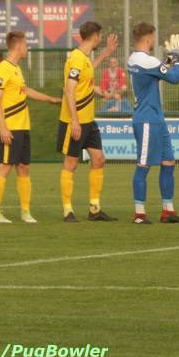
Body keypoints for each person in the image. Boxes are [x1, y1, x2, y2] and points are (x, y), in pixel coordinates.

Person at [0, 31, 61, 223]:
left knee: (23, 167)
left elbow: (24, 91)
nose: (27, 48)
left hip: (22, 126)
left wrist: (49, 99)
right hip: (10, 127)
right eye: (26, 45)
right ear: (19, 46)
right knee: (5, 166)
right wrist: (3, 127)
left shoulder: (16, 69)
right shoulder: (2, 69)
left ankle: (26, 212)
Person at [56, 22, 119, 223]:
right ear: (94, 36)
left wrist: (106, 54)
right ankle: (67, 211)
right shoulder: (76, 58)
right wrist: (74, 121)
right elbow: (69, 90)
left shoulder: (84, 58)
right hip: (75, 121)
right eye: (100, 35)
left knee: (99, 159)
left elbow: (87, 77)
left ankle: (94, 209)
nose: (100, 39)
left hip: (88, 120)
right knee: (71, 163)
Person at [127, 24, 179, 224]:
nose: (154, 41)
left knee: (168, 162)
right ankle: (139, 214)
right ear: (147, 38)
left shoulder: (135, 59)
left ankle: (168, 211)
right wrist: (177, 58)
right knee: (143, 165)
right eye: (153, 38)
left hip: (155, 119)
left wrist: (169, 59)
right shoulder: (148, 61)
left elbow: (158, 70)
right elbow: (174, 77)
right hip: (147, 120)